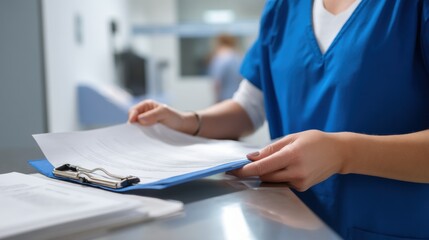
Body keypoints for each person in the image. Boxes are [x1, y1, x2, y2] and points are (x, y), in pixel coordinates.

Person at [129, 0, 429, 239]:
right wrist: (189, 121)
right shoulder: (283, 8)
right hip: (291, 221)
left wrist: (344, 153)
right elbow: (248, 107)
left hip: (392, 225)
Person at [208, 34, 243, 102]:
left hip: (224, 99)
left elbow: (217, 82)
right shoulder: (239, 56)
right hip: (239, 99)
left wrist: (216, 100)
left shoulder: (221, 57)